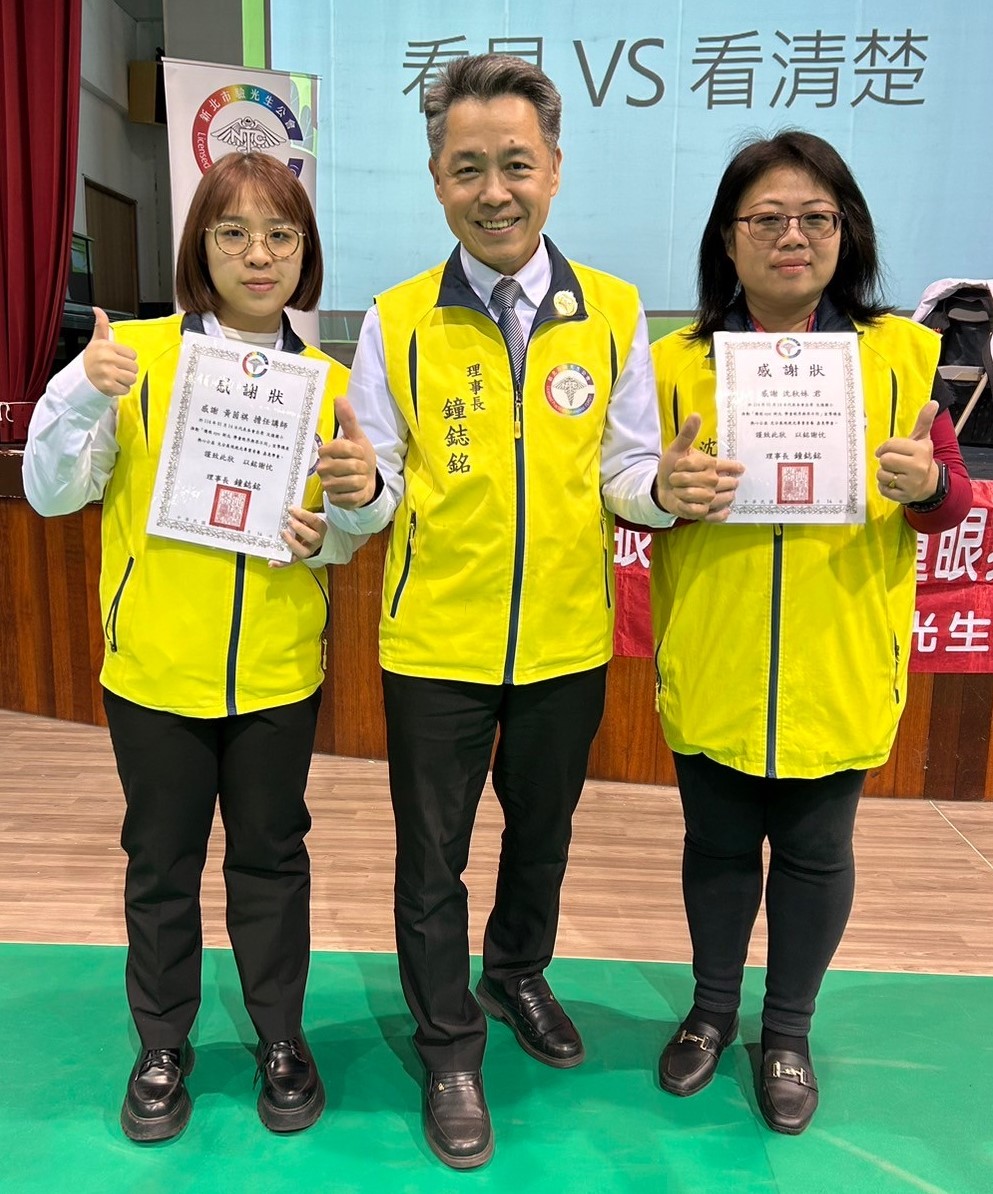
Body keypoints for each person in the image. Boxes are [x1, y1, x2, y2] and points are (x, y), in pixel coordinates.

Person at [318, 54, 689, 1169]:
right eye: (468, 167)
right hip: (436, 642)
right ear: (437, 180)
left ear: (555, 170)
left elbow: (626, 472)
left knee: (543, 835)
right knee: (430, 859)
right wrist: (357, 489)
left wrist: (667, 489)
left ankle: (517, 972)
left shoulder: (613, 311)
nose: (494, 191)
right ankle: (448, 1046)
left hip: (567, 641)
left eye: (516, 164)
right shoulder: (396, 321)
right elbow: (377, 490)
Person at [23, 152, 360, 1142]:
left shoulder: (331, 385)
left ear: (306, 252)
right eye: (232, 233)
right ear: (199, 248)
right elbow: (51, 492)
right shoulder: (131, 361)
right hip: (155, 674)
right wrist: (83, 394)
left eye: (281, 234)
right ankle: (162, 1044)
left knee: (272, 862)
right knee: (161, 864)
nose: (258, 255)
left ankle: (281, 1038)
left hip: (276, 675)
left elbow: (349, 530)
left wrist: (332, 530)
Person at [649, 130, 971, 1136]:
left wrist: (929, 484)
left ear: (846, 232)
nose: (792, 236)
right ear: (727, 238)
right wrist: (664, 490)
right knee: (715, 848)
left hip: (839, 657)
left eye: (815, 218)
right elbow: (630, 496)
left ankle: (785, 1032)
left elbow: (950, 499)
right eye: (766, 219)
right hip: (717, 653)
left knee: (817, 855)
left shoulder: (904, 358)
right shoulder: (674, 365)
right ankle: (710, 1014)